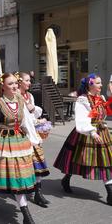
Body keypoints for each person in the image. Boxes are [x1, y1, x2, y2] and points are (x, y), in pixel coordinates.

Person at [0, 73, 40, 224]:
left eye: (15, 83)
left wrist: (34, 139)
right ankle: (27, 216)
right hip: (4, 142)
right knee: (7, 175)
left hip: (20, 142)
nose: (14, 86)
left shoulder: (20, 102)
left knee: (16, 177)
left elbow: (26, 122)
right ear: (3, 86)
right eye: (10, 84)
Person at [53, 73, 112, 206]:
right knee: (76, 160)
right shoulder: (83, 100)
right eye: (98, 83)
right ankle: (66, 179)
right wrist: (92, 132)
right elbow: (81, 119)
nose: (101, 85)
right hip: (87, 133)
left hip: (102, 132)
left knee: (106, 163)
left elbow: (104, 112)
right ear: (90, 85)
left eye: (101, 82)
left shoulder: (101, 97)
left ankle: (110, 193)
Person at [18, 72, 50, 208]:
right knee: (21, 167)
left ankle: (38, 193)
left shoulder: (29, 96)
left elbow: (33, 114)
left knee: (37, 165)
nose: (29, 83)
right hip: (23, 135)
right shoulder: (16, 97)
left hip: (33, 133)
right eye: (27, 80)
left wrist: (38, 121)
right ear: (19, 82)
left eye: (29, 80)